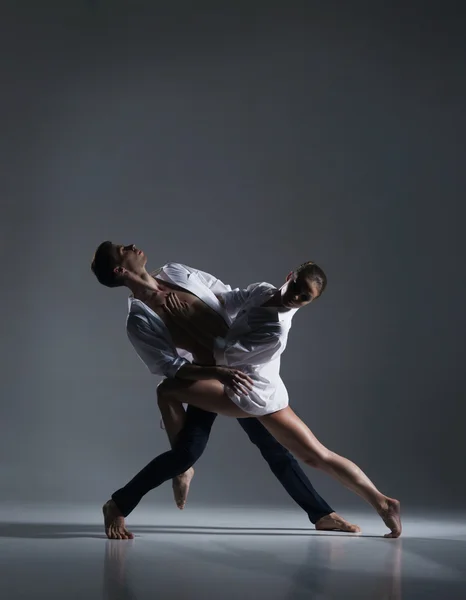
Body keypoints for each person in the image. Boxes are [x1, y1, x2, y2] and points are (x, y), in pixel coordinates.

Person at [91, 242, 401, 539]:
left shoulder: (176, 272)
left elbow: (225, 298)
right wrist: (214, 368)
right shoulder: (139, 319)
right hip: (206, 376)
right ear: (119, 271)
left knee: (283, 449)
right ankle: (124, 501)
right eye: (122, 250)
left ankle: (326, 512)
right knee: (187, 440)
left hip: (242, 379)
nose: (131, 246)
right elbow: (171, 366)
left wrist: (197, 325)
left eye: (303, 296)